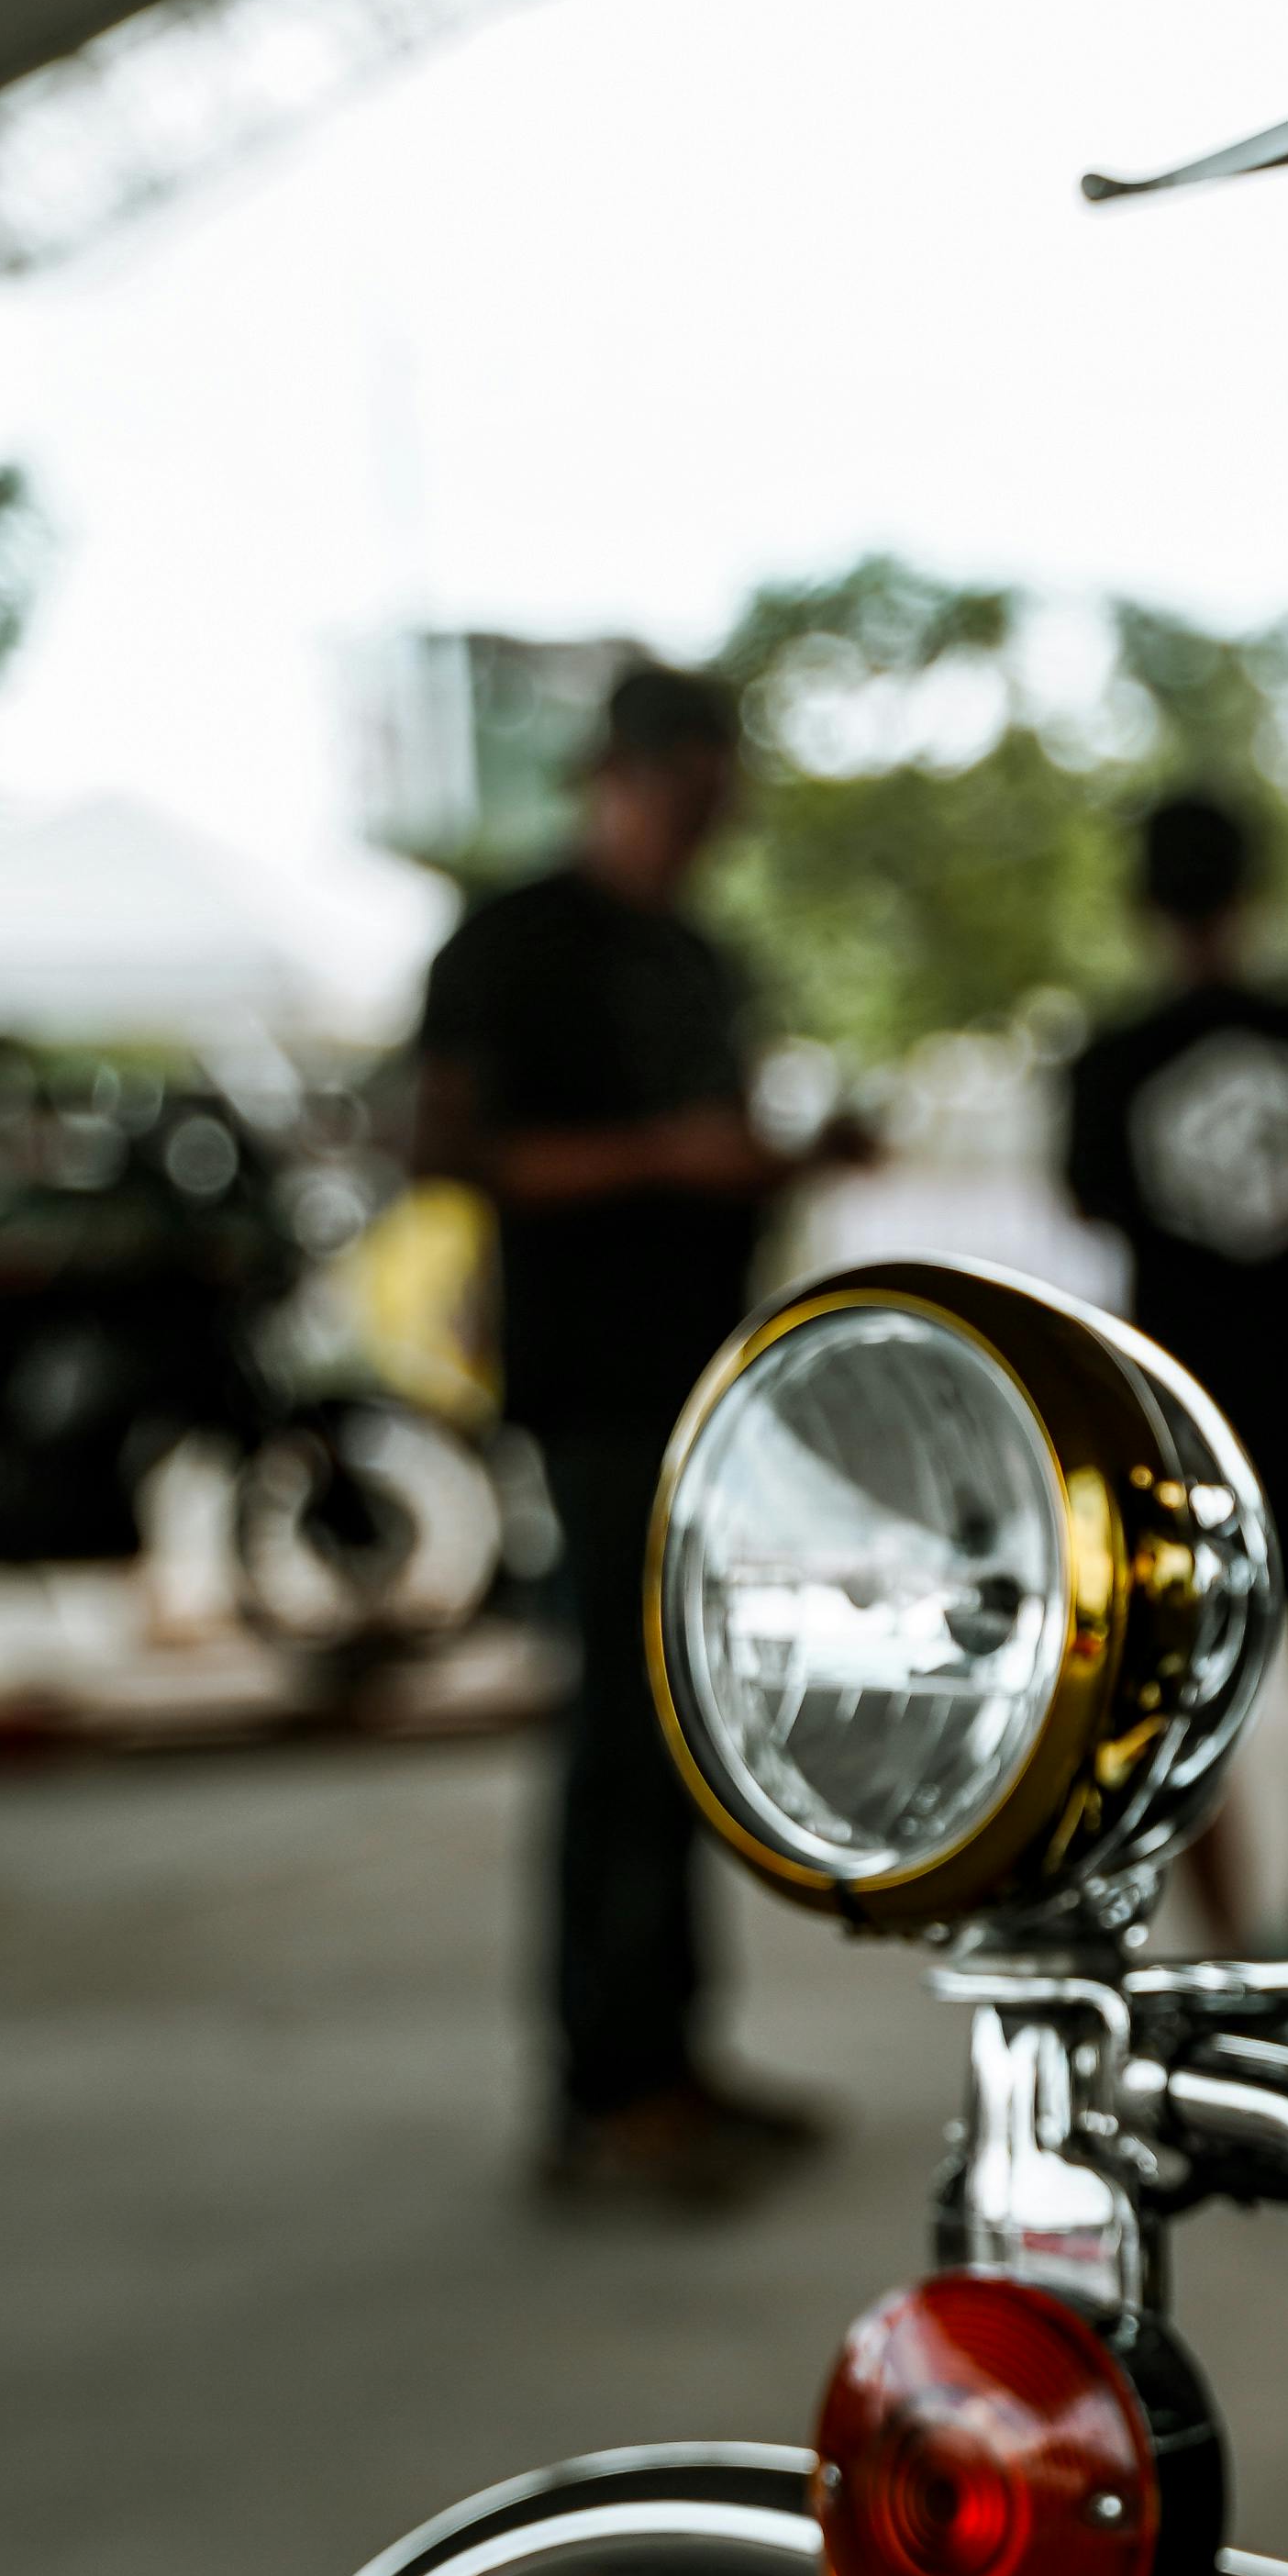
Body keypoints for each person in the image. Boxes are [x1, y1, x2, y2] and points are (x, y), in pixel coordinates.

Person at [410, 664, 857, 2205]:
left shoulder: (695, 958)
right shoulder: (517, 945)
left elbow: (714, 1141)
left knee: (681, 1735)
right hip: (597, 1384)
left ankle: (668, 2061)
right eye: (705, 778)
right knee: (620, 1735)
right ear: (641, 773)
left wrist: (773, 1160)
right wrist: (663, 1156)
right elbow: (453, 1148)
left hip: (699, 1380)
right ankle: (604, 2089)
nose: (719, 809)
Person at [1060, 790, 1288, 1957]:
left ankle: (1238, 1944)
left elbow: (1089, 1201)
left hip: (1184, 1411)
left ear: (1144, 904)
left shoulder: (1112, 1059)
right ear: (1252, 893)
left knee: (1181, 1691)